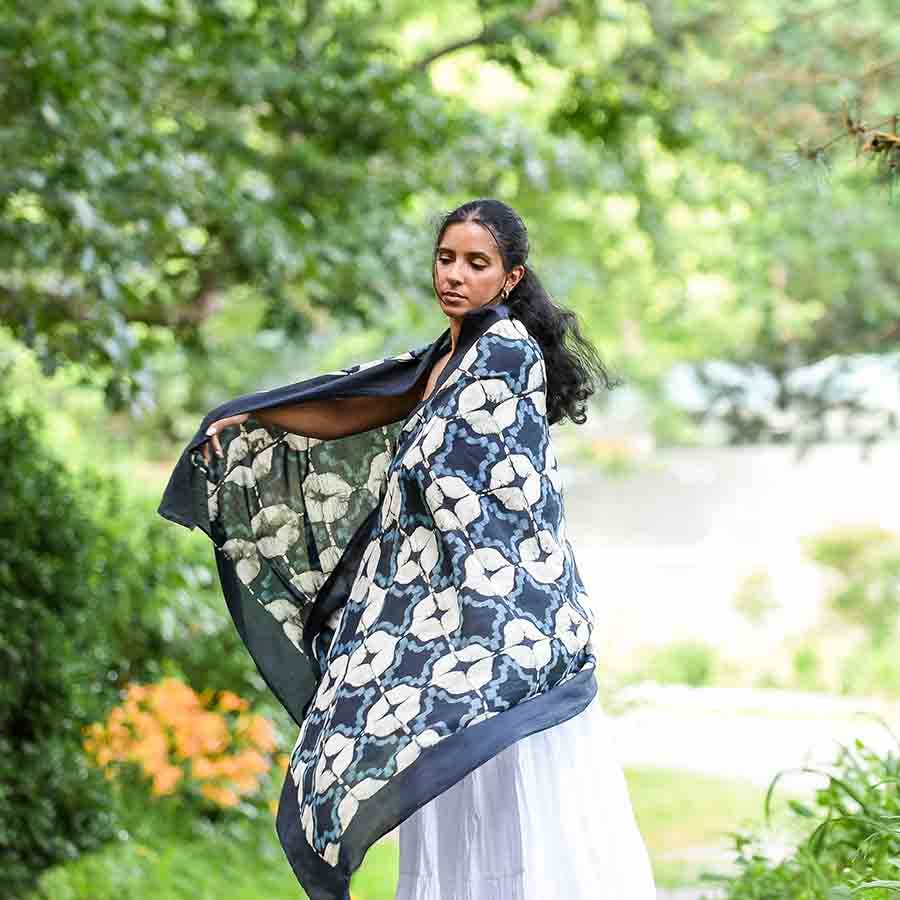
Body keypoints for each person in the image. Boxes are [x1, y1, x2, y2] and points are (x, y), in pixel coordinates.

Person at [193, 199, 657, 899]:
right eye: (446, 259)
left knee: (506, 789)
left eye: (477, 263)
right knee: (445, 774)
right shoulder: (444, 356)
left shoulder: (504, 351)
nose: (455, 275)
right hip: (451, 618)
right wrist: (249, 416)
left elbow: (490, 488)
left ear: (510, 278)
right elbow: (356, 404)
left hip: (503, 617)